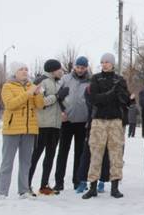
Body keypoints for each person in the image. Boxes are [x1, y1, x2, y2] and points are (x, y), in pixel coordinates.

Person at [82, 53, 130, 200]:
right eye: (102, 62)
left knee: (116, 154)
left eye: (107, 62)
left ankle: (115, 186)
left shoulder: (120, 79)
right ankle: (93, 186)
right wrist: (110, 94)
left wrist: (120, 95)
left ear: (113, 64)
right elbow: (94, 99)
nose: (105, 64)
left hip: (115, 121)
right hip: (99, 120)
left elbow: (124, 99)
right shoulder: (96, 78)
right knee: (96, 152)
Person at [0, 62, 44, 200]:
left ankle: (23, 190)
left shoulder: (31, 86)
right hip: (12, 130)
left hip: (29, 130)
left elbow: (40, 106)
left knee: (26, 162)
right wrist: (28, 94)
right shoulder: (8, 86)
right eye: (21, 69)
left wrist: (38, 94)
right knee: (7, 162)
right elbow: (10, 104)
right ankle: (2, 192)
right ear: (15, 72)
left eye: (26, 69)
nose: (25, 71)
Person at [54, 56, 90, 191]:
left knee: (80, 153)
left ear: (86, 67)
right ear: (74, 66)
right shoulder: (65, 79)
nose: (80, 70)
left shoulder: (90, 81)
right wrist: (62, 112)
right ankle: (59, 182)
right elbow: (57, 96)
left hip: (82, 122)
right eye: (78, 67)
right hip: (66, 121)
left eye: (83, 67)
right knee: (63, 152)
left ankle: (77, 180)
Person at [29, 59, 64, 195]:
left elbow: (58, 102)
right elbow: (41, 102)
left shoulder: (57, 82)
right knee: (35, 155)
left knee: (50, 156)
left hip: (55, 125)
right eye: (59, 69)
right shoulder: (41, 81)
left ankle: (44, 185)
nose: (61, 71)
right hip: (42, 125)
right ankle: (26, 184)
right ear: (52, 69)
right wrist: (56, 96)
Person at [75, 85, 110, 194]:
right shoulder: (90, 88)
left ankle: (102, 181)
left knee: (105, 155)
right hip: (93, 125)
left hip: (108, 125)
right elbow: (90, 102)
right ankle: (83, 181)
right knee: (87, 155)